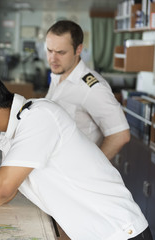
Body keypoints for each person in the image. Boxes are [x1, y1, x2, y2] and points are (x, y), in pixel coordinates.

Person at [0, 68, 152, 240]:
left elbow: (2, 190)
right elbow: (5, 188)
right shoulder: (14, 131)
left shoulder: (39, 116)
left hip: (121, 234)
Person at [45, 20, 130, 160]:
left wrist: (92, 168)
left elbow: (120, 134)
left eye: (61, 52)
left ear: (78, 50)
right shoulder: (57, 75)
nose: (53, 58)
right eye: (49, 50)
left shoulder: (92, 88)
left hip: (76, 173)